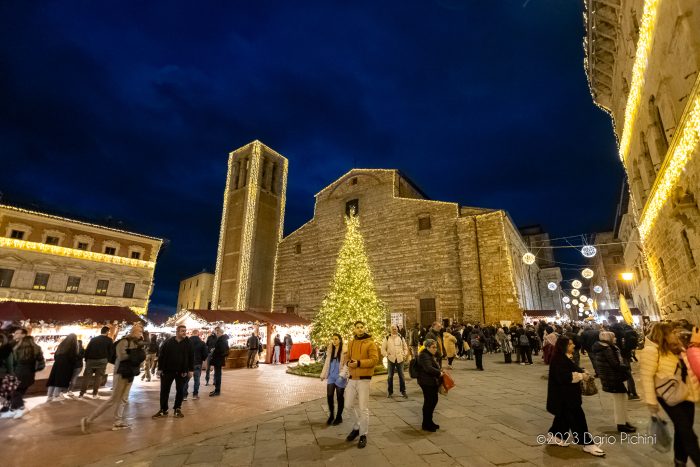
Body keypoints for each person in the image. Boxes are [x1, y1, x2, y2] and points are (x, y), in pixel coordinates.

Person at [640, 322, 700, 466]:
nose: (676, 334)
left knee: (683, 429)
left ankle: (680, 461)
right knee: (688, 433)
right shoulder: (651, 350)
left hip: (686, 393)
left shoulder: (678, 347)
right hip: (667, 396)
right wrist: (651, 401)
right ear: (664, 334)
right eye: (673, 332)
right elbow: (647, 377)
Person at [546, 336, 605, 457]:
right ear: (564, 346)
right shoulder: (558, 359)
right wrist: (581, 376)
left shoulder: (564, 357)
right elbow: (564, 377)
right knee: (578, 419)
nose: (573, 346)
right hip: (565, 397)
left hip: (566, 396)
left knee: (562, 417)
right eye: (570, 344)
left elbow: (571, 369)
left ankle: (554, 436)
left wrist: (582, 371)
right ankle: (588, 444)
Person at [81, 323, 146, 433]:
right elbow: (121, 356)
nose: (141, 334)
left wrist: (139, 352)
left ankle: (118, 421)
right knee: (113, 399)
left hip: (130, 372)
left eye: (141, 331)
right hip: (121, 372)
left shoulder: (137, 344)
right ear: (133, 331)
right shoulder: (124, 341)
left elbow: (139, 357)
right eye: (139, 331)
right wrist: (136, 354)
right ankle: (88, 419)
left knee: (124, 398)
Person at [592, 331, 636, 433]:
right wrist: (626, 367)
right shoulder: (607, 349)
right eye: (614, 337)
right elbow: (615, 364)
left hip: (611, 377)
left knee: (622, 399)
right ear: (608, 338)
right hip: (612, 377)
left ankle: (625, 421)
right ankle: (621, 424)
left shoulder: (603, 347)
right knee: (620, 401)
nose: (615, 338)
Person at [345, 321, 378, 449]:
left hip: (364, 379)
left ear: (364, 328)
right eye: (357, 328)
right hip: (352, 378)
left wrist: (358, 363)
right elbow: (348, 358)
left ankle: (363, 434)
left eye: (361, 327)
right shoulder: (351, 342)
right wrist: (349, 363)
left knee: (363, 408)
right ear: (354, 330)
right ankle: (357, 426)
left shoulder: (370, 343)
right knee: (347, 405)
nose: (360, 329)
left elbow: (374, 360)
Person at [153, 325, 194, 419]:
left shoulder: (188, 343)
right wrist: (159, 369)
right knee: (164, 390)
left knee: (180, 391)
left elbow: (191, 357)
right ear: (177, 332)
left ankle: (177, 409)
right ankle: (163, 410)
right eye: (182, 331)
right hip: (167, 371)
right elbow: (161, 356)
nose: (184, 333)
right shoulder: (168, 342)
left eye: (185, 331)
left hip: (182, 372)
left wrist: (191, 370)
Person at [10, 329, 44, 419]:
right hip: (29, 374)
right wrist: (33, 369)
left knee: (15, 391)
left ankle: (20, 407)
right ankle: (14, 407)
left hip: (17, 373)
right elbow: (41, 364)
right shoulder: (37, 348)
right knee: (20, 391)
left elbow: (12, 363)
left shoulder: (16, 348)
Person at [416, 338, 444, 432]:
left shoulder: (429, 354)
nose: (435, 349)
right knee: (429, 402)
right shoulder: (424, 355)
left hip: (430, 381)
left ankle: (429, 422)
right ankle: (426, 424)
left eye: (436, 347)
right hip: (426, 382)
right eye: (433, 347)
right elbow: (428, 368)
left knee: (432, 401)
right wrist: (439, 373)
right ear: (427, 347)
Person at [320, 333, 347, 425]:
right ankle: (331, 415)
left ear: (340, 339)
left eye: (336, 339)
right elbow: (327, 364)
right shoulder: (330, 349)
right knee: (329, 395)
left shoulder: (344, 350)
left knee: (340, 397)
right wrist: (323, 374)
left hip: (340, 376)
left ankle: (339, 416)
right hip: (331, 376)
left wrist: (342, 375)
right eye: (333, 339)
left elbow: (346, 364)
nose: (334, 341)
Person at [80, 326, 113, 398]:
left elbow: (87, 350)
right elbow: (111, 352)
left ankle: (81, 394)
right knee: (98, 377)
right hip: (102, 360)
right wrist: (107, 360)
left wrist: (86, 359)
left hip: (91, 360)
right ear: (107, 332)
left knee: (87, 377)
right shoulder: (109, 340)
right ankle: (94, 394)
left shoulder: (93, 339)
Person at [46, 334, 79, 401]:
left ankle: (49, 396)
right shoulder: (72, 346)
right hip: (65, 365)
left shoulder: (62, 344)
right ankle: (56, 396)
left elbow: (55, 355)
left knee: (53, 380)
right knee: (60, 380)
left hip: (57, 364)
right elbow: (72, 358)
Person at [381, 325, 408, 398]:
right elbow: (383, 349)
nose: (394, 330)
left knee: (401, 376)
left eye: (395, 329)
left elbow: (405, 347)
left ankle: (403, 391)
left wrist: (404, 354)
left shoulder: (401, 337)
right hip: (391, 359)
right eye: (393, 329)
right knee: (390, 376)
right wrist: (386, 355)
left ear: (397, 330)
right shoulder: (387, 338)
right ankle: (390, 392)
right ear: (390, 330)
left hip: (400, 359)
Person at [183, 329, 208, 401]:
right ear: (198, 334)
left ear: (192, 333)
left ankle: (184, 395)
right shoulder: (202, 343)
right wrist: (202, 359)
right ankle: (195, 394)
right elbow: (205, 354)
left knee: (186, 380)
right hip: (198, 363)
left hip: (188, 364)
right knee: (197, 380)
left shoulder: (186, 342)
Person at [209, 327, 229, 396]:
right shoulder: (222, 339)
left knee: (218, 376)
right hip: (218, 360)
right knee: (217, 375)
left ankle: (217, 391)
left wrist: (214, 351)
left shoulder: (222, 340)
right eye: (216, 332)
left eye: (217, 332)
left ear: (221, 333)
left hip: (218, 360)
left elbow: (222, 350)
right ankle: (216, 390)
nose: (216, 334)